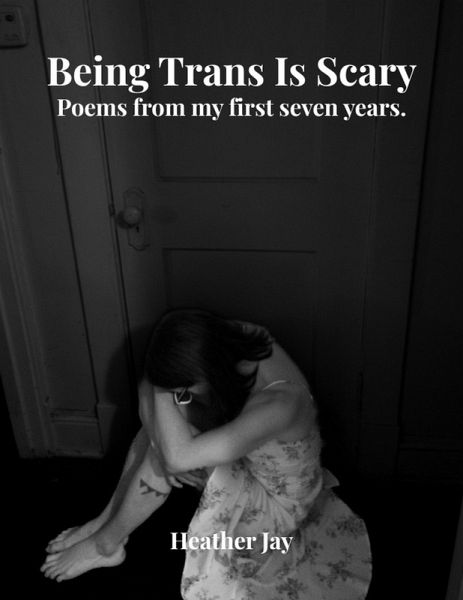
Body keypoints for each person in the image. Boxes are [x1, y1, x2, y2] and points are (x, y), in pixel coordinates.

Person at [41, 308, 372, 599]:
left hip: (276, 506)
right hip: (251, 460)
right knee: (159, 434)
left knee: (162, 451)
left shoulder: (279, 403)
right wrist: (161, 419)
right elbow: (150, 386)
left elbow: (173, 453)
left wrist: (163, 407)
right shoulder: (230, 338)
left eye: (184, 388)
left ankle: (106, 546)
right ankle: (104, 522)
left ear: (208, 375)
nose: (182, 394)